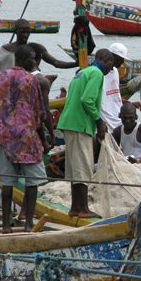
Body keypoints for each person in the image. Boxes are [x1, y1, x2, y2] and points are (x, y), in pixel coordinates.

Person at [0, 45, 50, 233]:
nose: (34, 62)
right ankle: (28, 223)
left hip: (6, 137)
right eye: (32, 59)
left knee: (8, 181)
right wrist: (44, 140)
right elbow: (39, 112)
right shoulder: (31, 80)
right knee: (32, 181)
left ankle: (5, 225)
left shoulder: (0, 77)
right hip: (27, 137)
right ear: (22, 58)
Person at [57, 48, 114, 218]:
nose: (111, 68)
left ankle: (75, 208)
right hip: (79, 125)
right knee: (82, 166)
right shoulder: (96, 74)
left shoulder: (83, 72)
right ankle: (82, 209)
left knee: (75, 168)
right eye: (111, 63)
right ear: (106, 60)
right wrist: (99, 121)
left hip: (70, 123)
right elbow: (87, 100)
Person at [0, 19, 78, 71]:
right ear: (15, 31)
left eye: (28, 32)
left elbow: (56, 62)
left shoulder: (35, 48)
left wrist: (76, 64)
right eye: (22, 32)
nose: (25, 35)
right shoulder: (7, 49)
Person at [101, 43, 141, 133]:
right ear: (112, 57)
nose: (122, 62)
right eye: (120, 59)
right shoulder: (100, 74)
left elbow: (114, 96)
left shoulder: (116, 71)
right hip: (106, 123)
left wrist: (130, 103)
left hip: (119, 120)